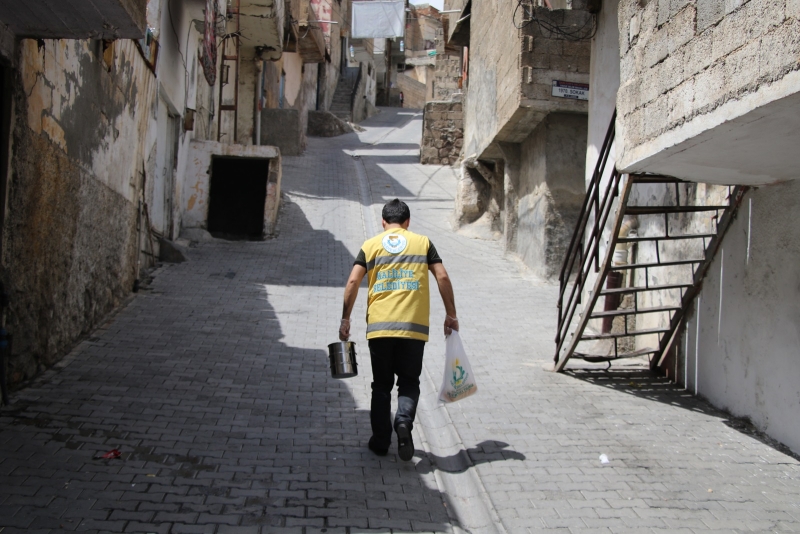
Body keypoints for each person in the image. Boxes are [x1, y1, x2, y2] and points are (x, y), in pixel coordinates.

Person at [339, 199, 458, 461]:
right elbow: (443, 277)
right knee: (409, 382)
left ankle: (381, 442)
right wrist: (451, 314)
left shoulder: (370, 245)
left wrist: (345, 319)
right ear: (408, 222)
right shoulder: (423, 243)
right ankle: (403, 421)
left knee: (381, 385)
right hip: (413, 330)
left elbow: (352, 281)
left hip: (379, 329)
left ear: (383, 222)